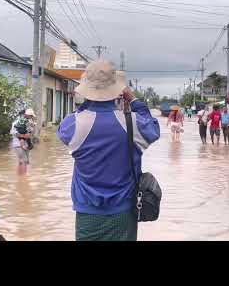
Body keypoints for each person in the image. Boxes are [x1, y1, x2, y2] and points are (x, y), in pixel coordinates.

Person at [57, 59, 160, 241]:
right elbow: (153, 129)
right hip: (123, 212)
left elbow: (75, 119)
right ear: (119, 91)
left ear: (86, 90)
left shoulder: (72, 125)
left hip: (87, 214)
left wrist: (87, 101)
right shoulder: (133, 123)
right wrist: (133, 100)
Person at [10, 108, 35, 175]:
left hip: (26, 144)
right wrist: (24, 136)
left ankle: (22, 177)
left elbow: (31, 133)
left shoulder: (29, 122)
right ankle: (23, 178)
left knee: (24, 161)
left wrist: (30, 132)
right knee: (23, 160)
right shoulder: (15, 123)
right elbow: (14, 133)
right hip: (18, 145)